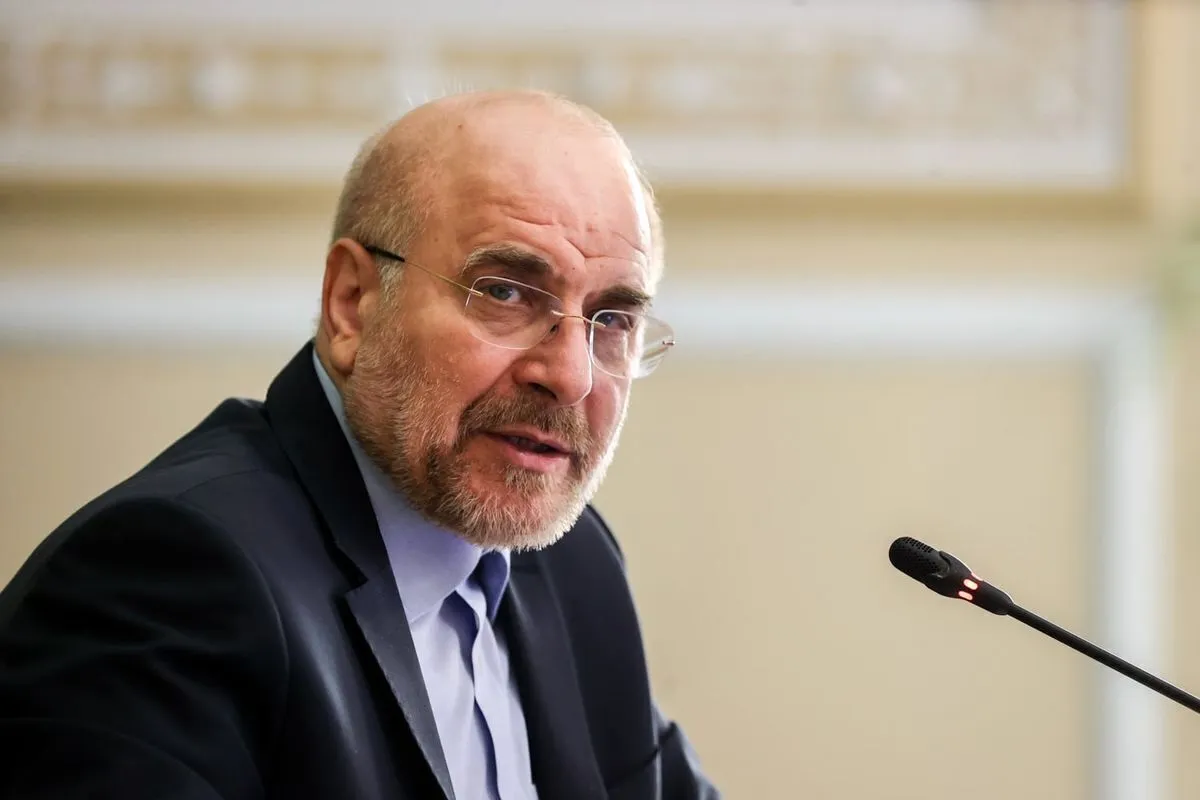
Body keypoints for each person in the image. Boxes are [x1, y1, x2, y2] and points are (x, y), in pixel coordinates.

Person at [0, 89, 718, 799]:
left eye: (613, 320)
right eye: (504, 292)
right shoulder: (171, 574)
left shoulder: (574, 564)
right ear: (352, 303)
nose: (568, 375)